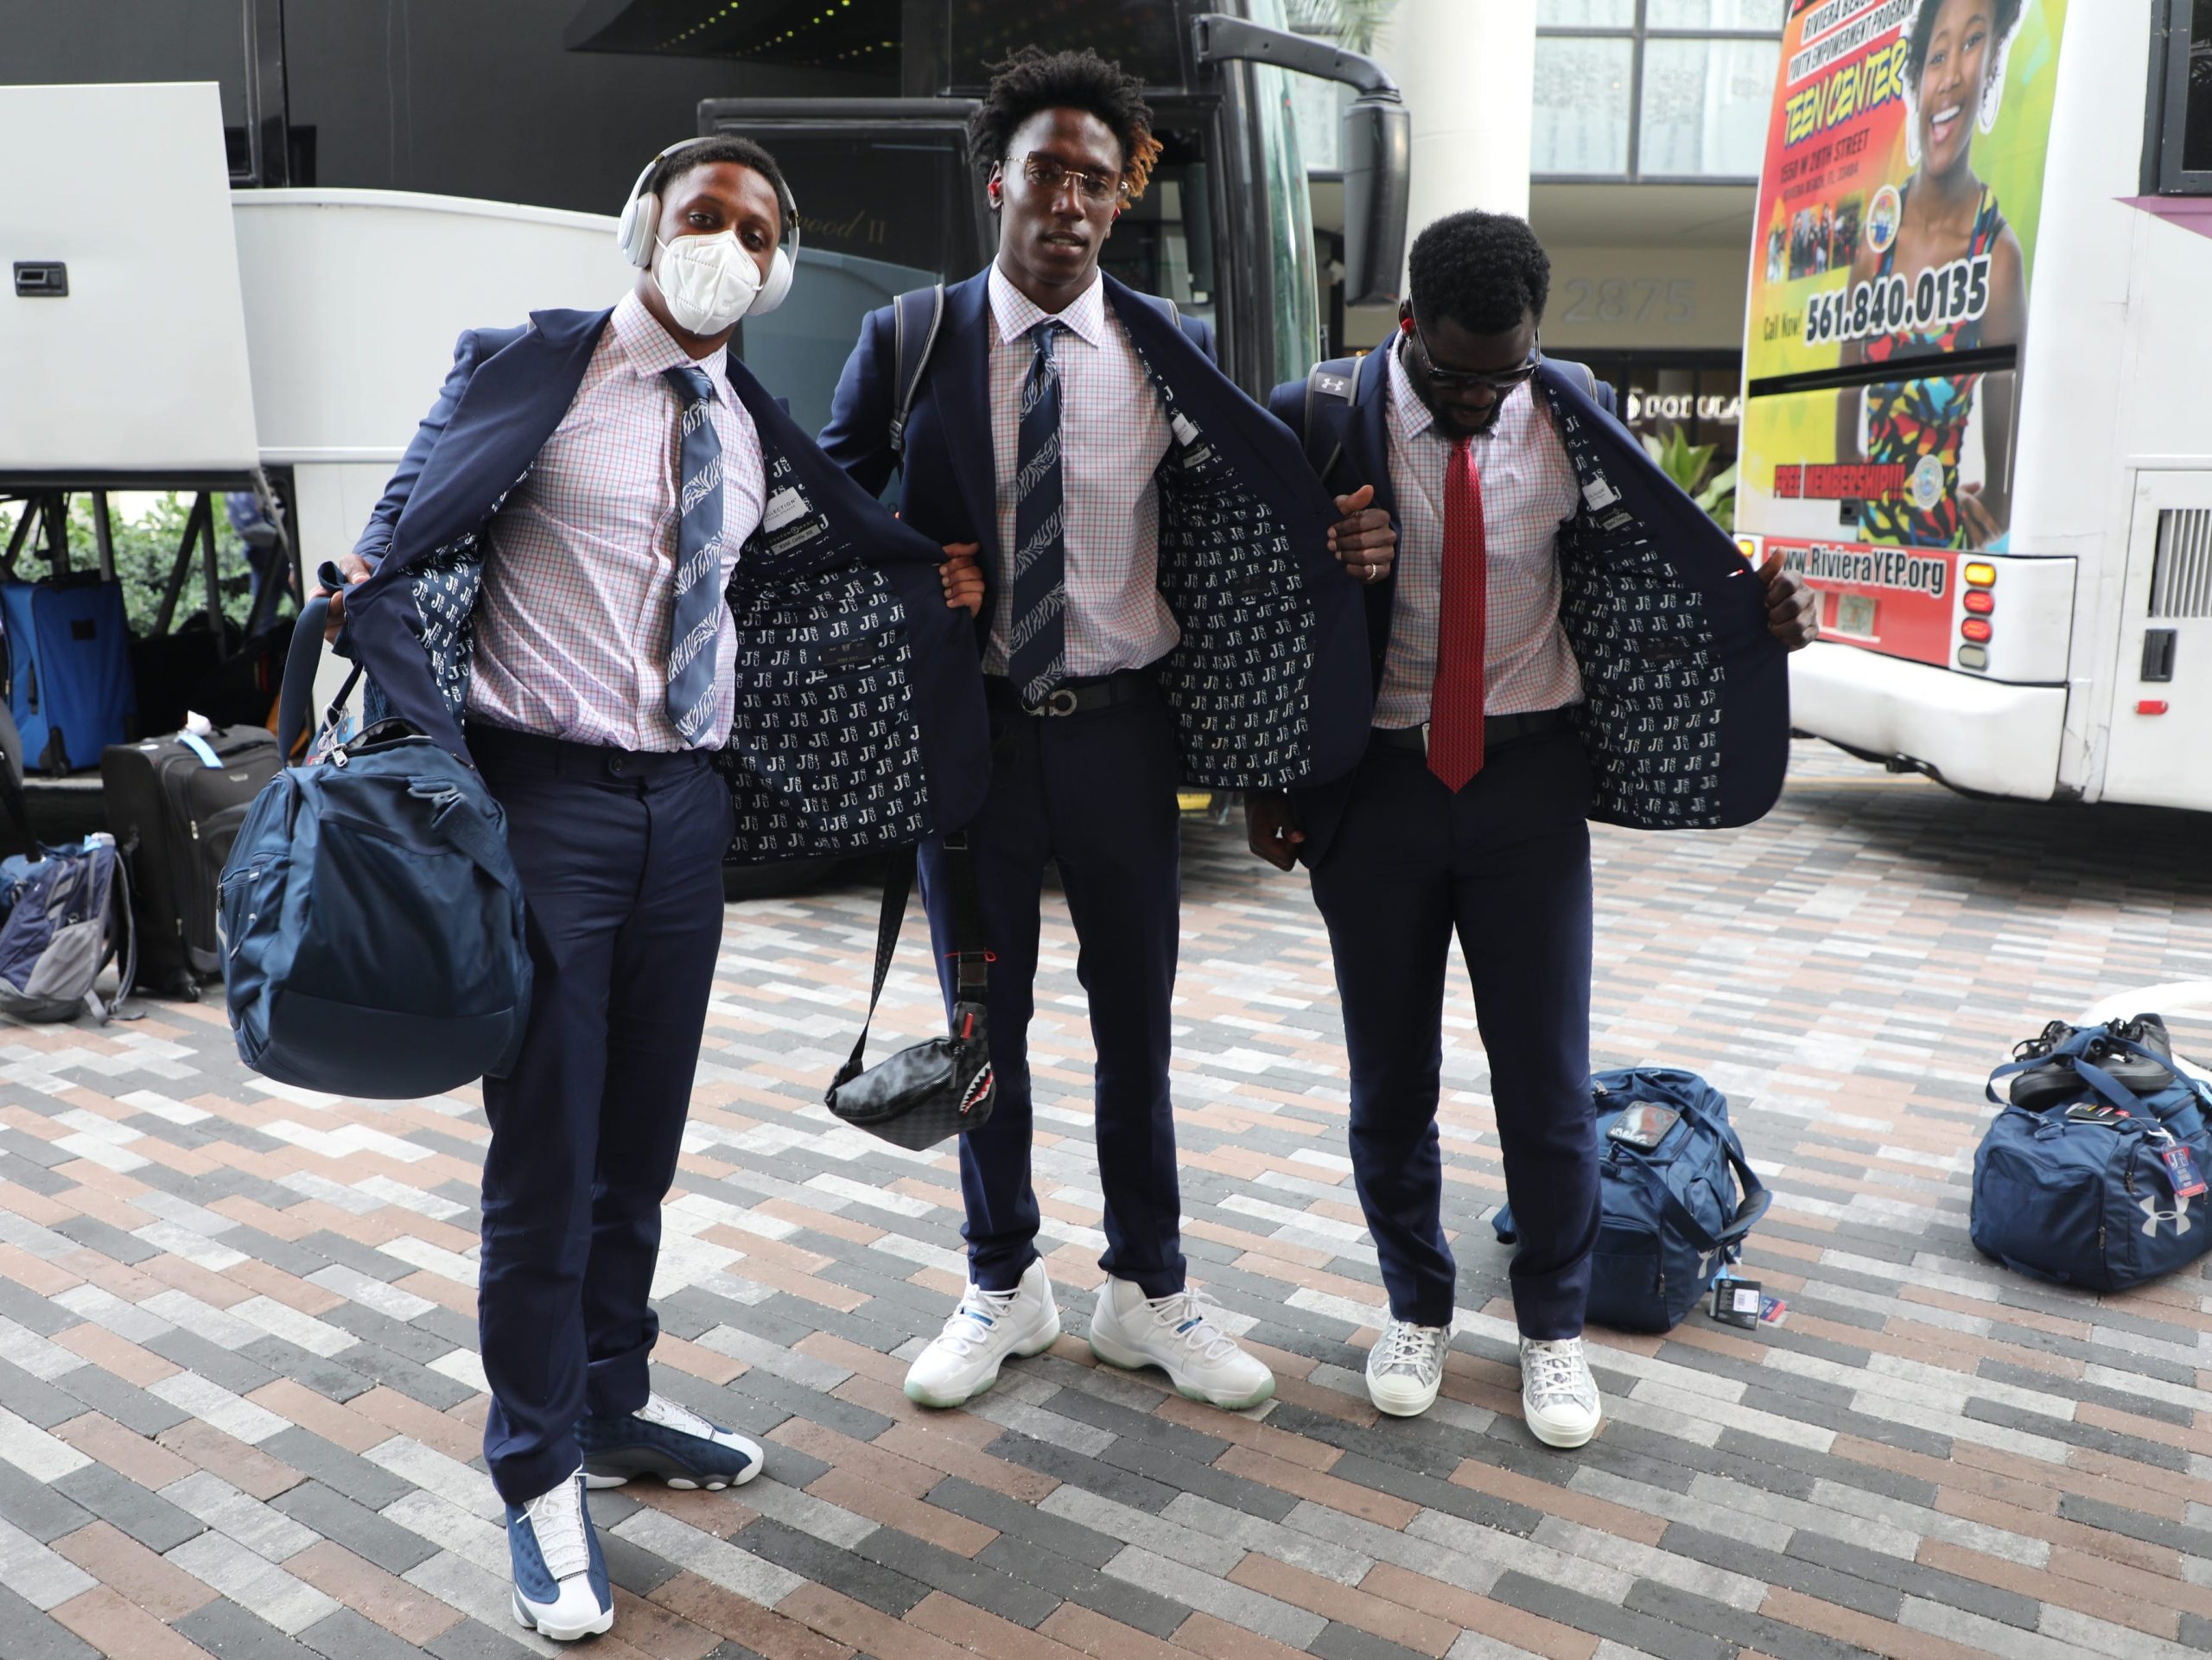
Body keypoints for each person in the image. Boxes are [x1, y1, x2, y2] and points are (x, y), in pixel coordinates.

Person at [322, 136, 988, 1643]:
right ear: (645, 229)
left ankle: (611, 1406)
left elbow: (799, 582)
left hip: (685, 816)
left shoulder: (751, 419)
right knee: (545, 1161)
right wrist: (438, 761)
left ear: (779, 268)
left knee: (640, 1148)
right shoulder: (535, 371)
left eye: (757, 230)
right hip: (545, 803)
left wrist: (921, 590)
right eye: (706, 214)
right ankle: (536, 1471)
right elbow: (392, 555)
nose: (729, 243)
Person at [820, 47, 1380, 1415]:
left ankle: (1148, 1288)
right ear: (999, 181)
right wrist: (913, 563)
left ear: (1118, 203)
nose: (1069, 201)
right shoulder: (911, 339)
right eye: (1047, 174)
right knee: (981, 1023)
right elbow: (818, 515)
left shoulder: (1163, 348)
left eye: (1097, 181)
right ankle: (1003, 1280)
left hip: (1126, 740)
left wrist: (1348, 527)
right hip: (984, 748)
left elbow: (1268, 487)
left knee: (1138, 1027)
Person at [1248, 209, 1818, 1448]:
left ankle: (1551, 1330)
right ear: (1408, 327)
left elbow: (1665, 567)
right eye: (1453, 374)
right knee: (1389, 1080)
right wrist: (1320, 582)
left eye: (1500, 374)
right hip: (1381, 792)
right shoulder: (1321, 414)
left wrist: (1759, 614)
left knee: (1548, 1088)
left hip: (1528, 791)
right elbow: (1246, 590)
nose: (1477, 401)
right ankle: (1416, 1304)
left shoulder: (1570, 414)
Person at [1834, 0, 2028, 549]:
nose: (1950, 78)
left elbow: (2004, 461)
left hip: (1941, 549)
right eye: (1937, 55)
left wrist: (1994, 502)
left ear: (1992, 66)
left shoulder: (1996, 253)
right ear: (1916, 80)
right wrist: (1852, 529)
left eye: (1971, 44)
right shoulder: (1879, 241)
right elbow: (1845, 395)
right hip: (1867, 543)